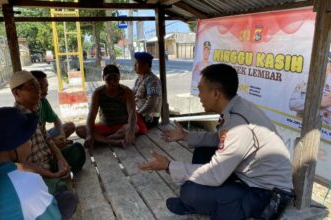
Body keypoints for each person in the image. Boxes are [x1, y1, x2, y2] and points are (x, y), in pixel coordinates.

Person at [139, 64, 294, 220]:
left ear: (216, 94)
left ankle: (207, 203)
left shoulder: (239, 125)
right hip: (251, 176)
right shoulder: (235, 108)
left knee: (190, 191)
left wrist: (169, 166)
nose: (199, 95)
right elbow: (219, 139)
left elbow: (214, 175)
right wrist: (186, 136)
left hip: (266, 194)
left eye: (201, 90)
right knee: (202, 150)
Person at [0, 107, 76, 220]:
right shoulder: (28, 182)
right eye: (28, 139)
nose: (30, 143)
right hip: (34, 206)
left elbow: (21, 166)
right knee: (69, 198)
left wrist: (52, 175)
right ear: (15, 145)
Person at [9, 70, 86, 194]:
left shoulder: (35, 110)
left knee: (77, 149)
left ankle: (59, 176)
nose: (38, 90)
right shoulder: (15, 120)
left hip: (50, 162)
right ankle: (55, 180)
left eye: (38, 87)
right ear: (17, 93)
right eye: (32, 87)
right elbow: (22, 164)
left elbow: (48, 139)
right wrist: (51, 174)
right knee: (61, 190)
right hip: (36, 172)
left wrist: (61, 160)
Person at [76, 64, 147, 150]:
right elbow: (91, 115)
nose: (112, 81)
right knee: (80, 130)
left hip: (121, 127)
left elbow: (132, 113)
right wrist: (90, 134)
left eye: (115, 78)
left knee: (134, 127)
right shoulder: (97, 93)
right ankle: (114, 142)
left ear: (119, 78)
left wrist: (131, 131)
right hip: (105, 126)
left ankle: (102, 140)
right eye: (108, 78)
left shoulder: (127, 92)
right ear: (103, 78)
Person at [31, 70, 76, 148]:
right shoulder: (24, 108)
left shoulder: (43, 101)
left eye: (46, 86)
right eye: (40, 87)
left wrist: (62, 135)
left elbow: (56, 119)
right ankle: (53, 146)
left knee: (70, 126)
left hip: (44, 136)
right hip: (34, 142)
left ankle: (57, 143)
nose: (45, 90)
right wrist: (51, 143)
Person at [289, 52, 331, 124]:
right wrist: (318, 103)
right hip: (301, 125)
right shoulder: (305, 82)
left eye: (326, 61)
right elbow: (292, 104)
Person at [133, 52, 162, 128]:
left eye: (137, 63)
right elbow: (132, 93)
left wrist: (138, 114)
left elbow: (152, 102)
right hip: (140, 115)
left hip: (149, 118)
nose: (134, 66)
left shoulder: (152, 81)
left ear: (145, 65)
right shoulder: (139, 78)